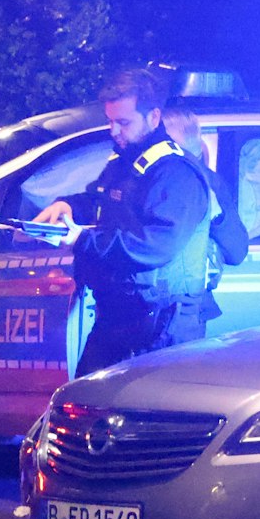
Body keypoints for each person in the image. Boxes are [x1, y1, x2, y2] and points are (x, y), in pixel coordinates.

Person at [34, 68, 213, 375]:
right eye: (110, 121)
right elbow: (105, 203)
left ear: (154, 117)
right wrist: (69, 205)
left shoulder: (175, 173)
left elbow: (154, 245)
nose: (114, 131)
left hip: (161, 328)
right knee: (87, 408)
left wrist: (82, 240)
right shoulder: (127, 160)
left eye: (124, 122)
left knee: (146, 420)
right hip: (122, 318)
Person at [161, 103, 249, 341]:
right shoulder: (148, 177)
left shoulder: (207, 185)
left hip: (182, 312)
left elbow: (237, 250)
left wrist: (215, 213)